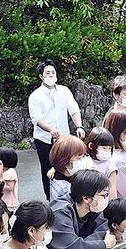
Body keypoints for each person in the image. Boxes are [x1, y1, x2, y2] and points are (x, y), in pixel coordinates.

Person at [28, 59, 86, 199]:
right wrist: (51, 129)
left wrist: (79, 126)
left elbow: (73, 109)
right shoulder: (35, 96)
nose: (51, 75)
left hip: (63, 139)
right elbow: (37, 119)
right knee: (48, 169)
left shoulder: (64, 91)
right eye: (47, 73)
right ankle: (50, 197)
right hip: (44, 139)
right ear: (41, 76)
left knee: (68, 165)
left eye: (53, 72)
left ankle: (70, 195)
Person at [48, 135, 89, 202]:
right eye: (79, 158)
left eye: (83, 156)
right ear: (66, 162)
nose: (83, 160)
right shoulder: (66, 191)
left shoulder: (64, 172)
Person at [85, 127, 118, 198]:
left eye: (109, 149)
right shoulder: (84, 160)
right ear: (91, 146)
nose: (107, 151)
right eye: (104, 148)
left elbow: (112, 187)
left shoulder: (110, 165)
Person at [0, 147, 19, 212]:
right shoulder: (2, 171)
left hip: (9, 203)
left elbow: (10, 187)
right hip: (2, 201)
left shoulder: (10, 171)